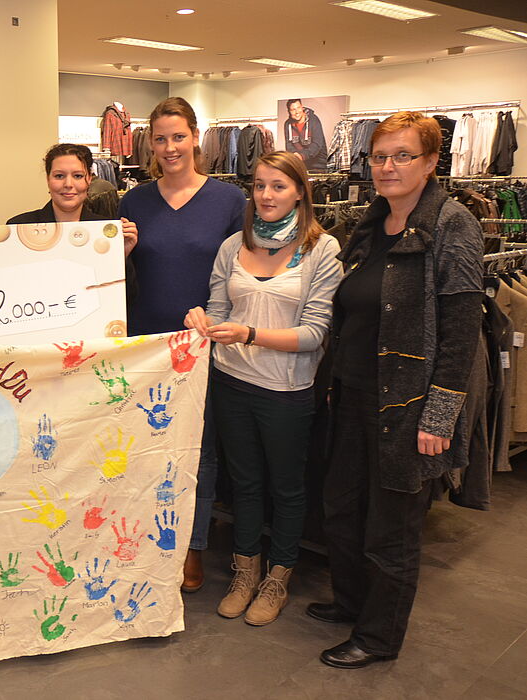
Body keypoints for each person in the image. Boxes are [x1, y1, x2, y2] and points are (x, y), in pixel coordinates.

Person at [309, 112, 483, 668]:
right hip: (355, 393)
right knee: (342, 508)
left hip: (407, 406)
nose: (387, 167)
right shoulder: (371, 221)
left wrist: (439, 418)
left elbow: (460, 331)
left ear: (432, 162)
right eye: (380, 156)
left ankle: (379, 637)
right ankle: (353, 603)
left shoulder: (452, 225)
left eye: (402, 155)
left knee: (392, 527)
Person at [184, 151, 342, 626]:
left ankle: (278, 577)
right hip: (231, 381)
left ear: (299, 192)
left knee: (287, 488)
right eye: (259, 186)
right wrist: (201, 321)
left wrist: (250, 334)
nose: (267, 195)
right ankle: (244, 571)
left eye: (278, 186)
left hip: (286, 392)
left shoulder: (322, 251)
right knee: (246, 485)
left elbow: (315, 334)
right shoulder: (234, 246)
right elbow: (218, 309)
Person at [119, 97, 247, 593]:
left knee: (199, 451)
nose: (170, 147)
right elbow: (122, 279)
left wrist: (216, 321)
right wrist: (124, 252)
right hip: (146, 346)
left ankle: (191, 547)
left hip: (203, 347)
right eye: (160, 138)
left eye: (178, 136)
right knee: (146, 450)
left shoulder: (229, 202)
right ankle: (147, 540)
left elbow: (243, 275)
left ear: (195, 137)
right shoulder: (135, 202)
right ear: (149, 144)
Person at [7, 142, 139, 298]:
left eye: (77, 176)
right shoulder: (18, 228)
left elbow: (128, 299)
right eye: (59, 176)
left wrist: (119, 255)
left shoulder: (105, 232)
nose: (68, 184)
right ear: (48, 179)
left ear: (89, 179)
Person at [282, 99, 327, 172]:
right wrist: (295, 155)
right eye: (293, 109)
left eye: (298, 108)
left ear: (302, 107)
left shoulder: (314, 120)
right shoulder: (287, 124)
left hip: (318, 165)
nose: (297, 112)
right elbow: (289, 144)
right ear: (289, 111)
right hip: (300, 165)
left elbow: (317, 144)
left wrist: (302, 156)